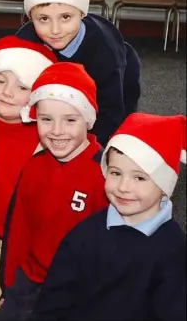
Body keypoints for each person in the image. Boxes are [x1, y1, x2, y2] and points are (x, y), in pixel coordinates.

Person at [31, 113, 186, 320]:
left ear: (164, 184)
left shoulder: (173, 248)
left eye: (139, 178)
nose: (123, 187)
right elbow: (54, 297)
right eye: (115, 173)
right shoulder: (85, 233)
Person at [0, 63, 110, 320]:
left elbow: (110, 245)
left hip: (78, 287)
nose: (57, 131)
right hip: (30, 281)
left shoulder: (104, 173)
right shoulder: (34, 167)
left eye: (70, 120)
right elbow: (18, 231)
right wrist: (9, 285)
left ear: (88, 120)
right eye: (46, 120)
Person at [0, 36, 56, 317]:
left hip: (31, 247)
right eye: (0, 80)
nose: (7, 92)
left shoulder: (53, 138)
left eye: (22, 86)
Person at [15, 0, 142, 146]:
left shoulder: (104, 49)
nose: (55, 30)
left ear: (82, 13)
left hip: (119, 84)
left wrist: (90, 150)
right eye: (43, 19)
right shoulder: (25, 40)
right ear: (30, 18)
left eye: (65, 17)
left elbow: (110, 111)